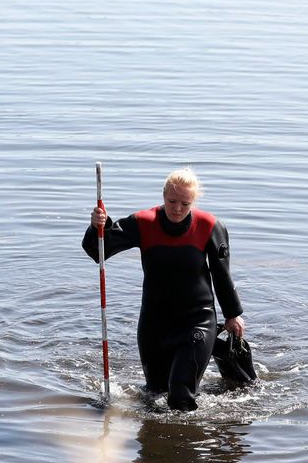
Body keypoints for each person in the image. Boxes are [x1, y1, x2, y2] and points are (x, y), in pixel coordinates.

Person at [83, 167, 246, 410]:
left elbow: (221, 275)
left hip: (197, 320)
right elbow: (98, 251)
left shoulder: (210, 226)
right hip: (154, 325)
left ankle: (186, 444)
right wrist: (97, 226)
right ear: (163, 196)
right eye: (172, 201)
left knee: (180, 397)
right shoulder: (143, 222)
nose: (177, 208)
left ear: (193, 202)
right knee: (153, 397)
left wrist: (232, 314)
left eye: (185, 203)